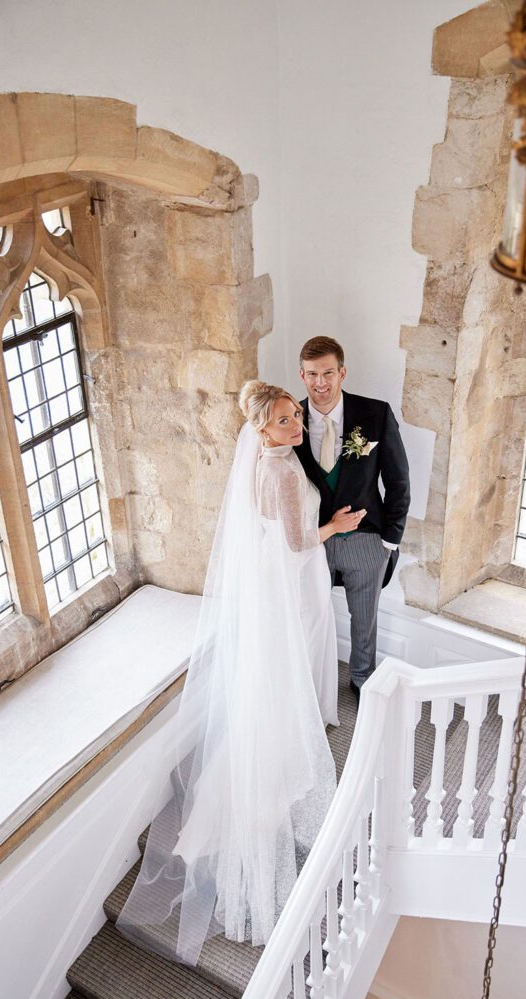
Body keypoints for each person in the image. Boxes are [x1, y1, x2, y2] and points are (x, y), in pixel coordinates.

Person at [116, 380, 365, 967]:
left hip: (276, 579)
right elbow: (299, 540)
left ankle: (285, 726)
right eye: (283, 421)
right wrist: (338, 526)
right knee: (292, 659)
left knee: (278, 668)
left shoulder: (265, 460)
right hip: (294, 575)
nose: (295, 426)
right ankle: (285, 744)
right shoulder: (281, 471)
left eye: (295, 416)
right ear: (261, 429)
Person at [295, 337, 411, 704]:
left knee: (364, 621)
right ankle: (312, 684)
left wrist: (389, 541)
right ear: (302, 375)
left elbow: (398, 481)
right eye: (313, 374)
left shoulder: (375, 414)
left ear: (342, 373)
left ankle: (363, 682)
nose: (321, 383)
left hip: (366, 540)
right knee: (310, 617)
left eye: (328, 373)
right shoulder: (290, 420)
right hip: (314, 542)